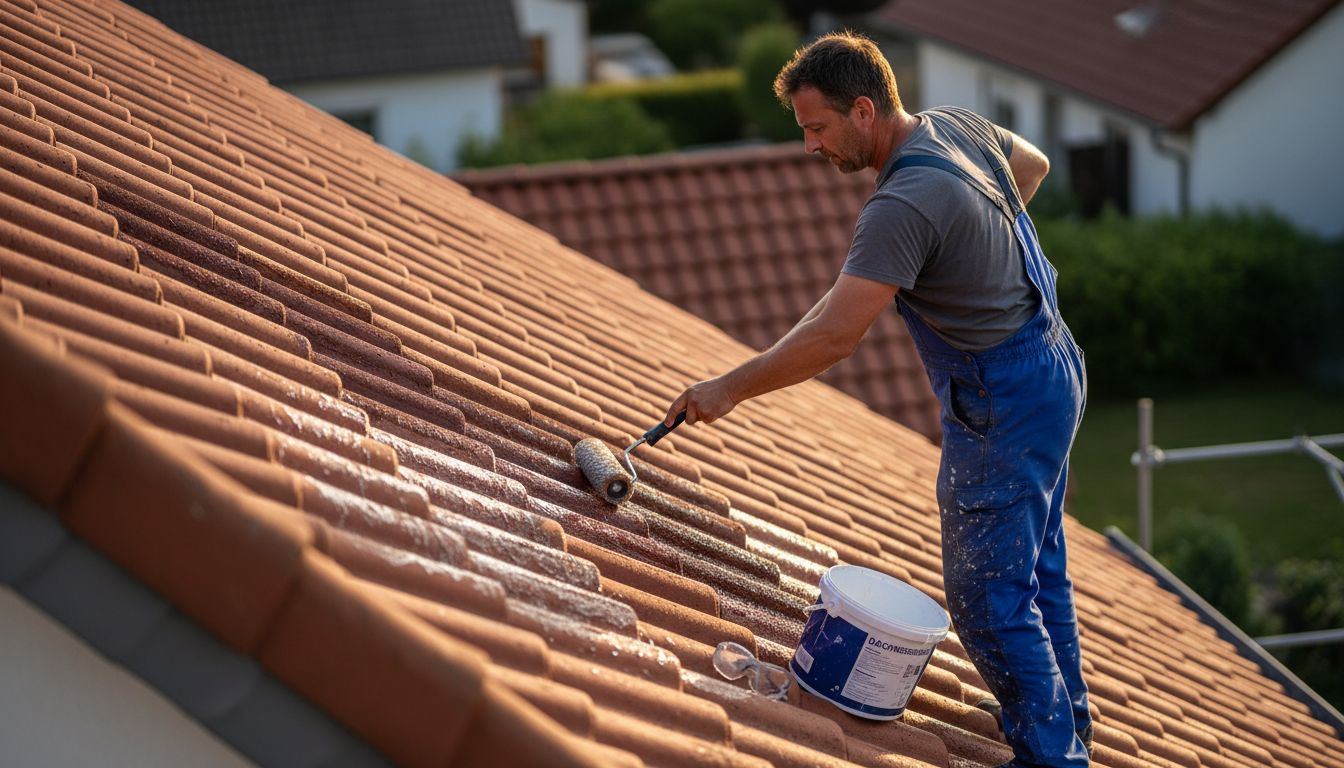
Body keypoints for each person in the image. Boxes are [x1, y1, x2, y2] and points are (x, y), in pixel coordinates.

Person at [661, 31, 1092, 768]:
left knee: (987, 595)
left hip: (1005, 398)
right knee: (1036, 563)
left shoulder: (902, 206)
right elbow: (1033, 165)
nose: (810, 146)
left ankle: (1053, 756)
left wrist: (727, 389)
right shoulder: (955, 125)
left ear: (863, 111)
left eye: (817, 127)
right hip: (1053, 362)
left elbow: (835, 337)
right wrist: (971, 248)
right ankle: (1066, 717)